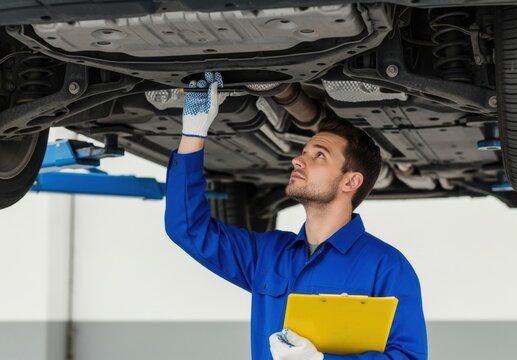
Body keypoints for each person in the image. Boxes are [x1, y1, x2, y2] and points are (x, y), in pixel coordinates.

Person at [165, 72, 428, 360]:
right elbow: (187, 228)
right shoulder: (267, 255)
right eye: (304, 151)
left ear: (350, 182)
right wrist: (193, 134)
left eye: (319, 156)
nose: (297, 159)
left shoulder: (387, 267)